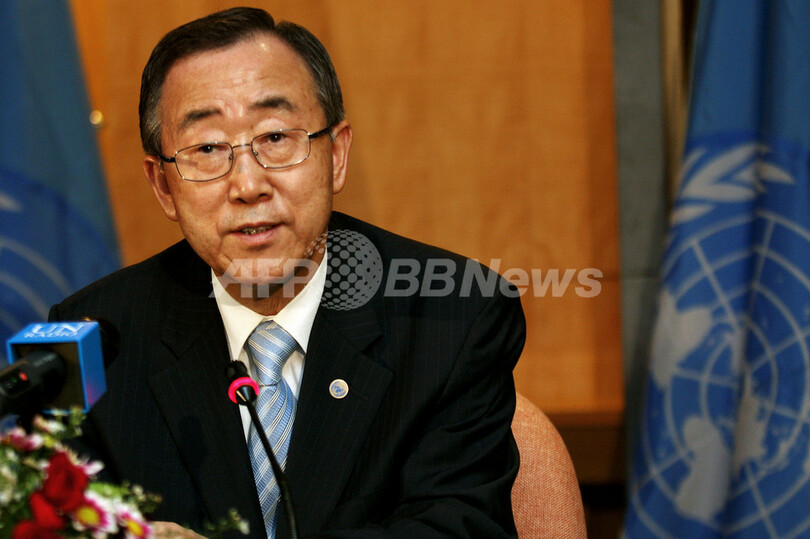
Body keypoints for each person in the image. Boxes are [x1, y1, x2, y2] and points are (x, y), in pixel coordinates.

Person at [50, 7, 525, 538]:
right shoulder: (96, 341)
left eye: (275, 138)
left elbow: (459, 528)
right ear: (163, 185)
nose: (248, 185)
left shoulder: (451, 318)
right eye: (207, 148)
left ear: (336, 155)